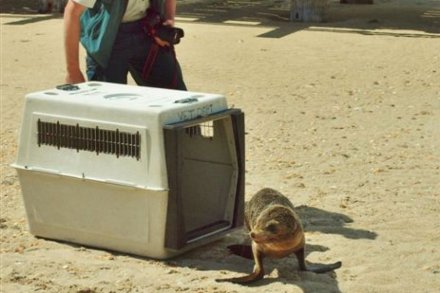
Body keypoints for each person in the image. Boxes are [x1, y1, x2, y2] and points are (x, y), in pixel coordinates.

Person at [63, 0, 186, 90]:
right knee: (108, 113)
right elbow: (73, 11)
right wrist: (73, 71)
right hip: (107, 40)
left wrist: (168, 21)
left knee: (176, 99)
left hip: (147, 31)